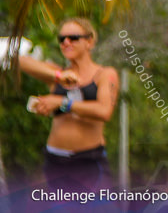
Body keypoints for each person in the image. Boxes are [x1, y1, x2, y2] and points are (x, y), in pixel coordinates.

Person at [17, 18, 118, 192]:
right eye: (61, 39)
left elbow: (104, 111)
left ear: (90, 41)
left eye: (73, 38)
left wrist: (62, 103)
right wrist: (58, 76)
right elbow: (19, 61)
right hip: (55, 160)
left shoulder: (104, 74)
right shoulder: (57, 73)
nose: (66, 42)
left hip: (88, 162)